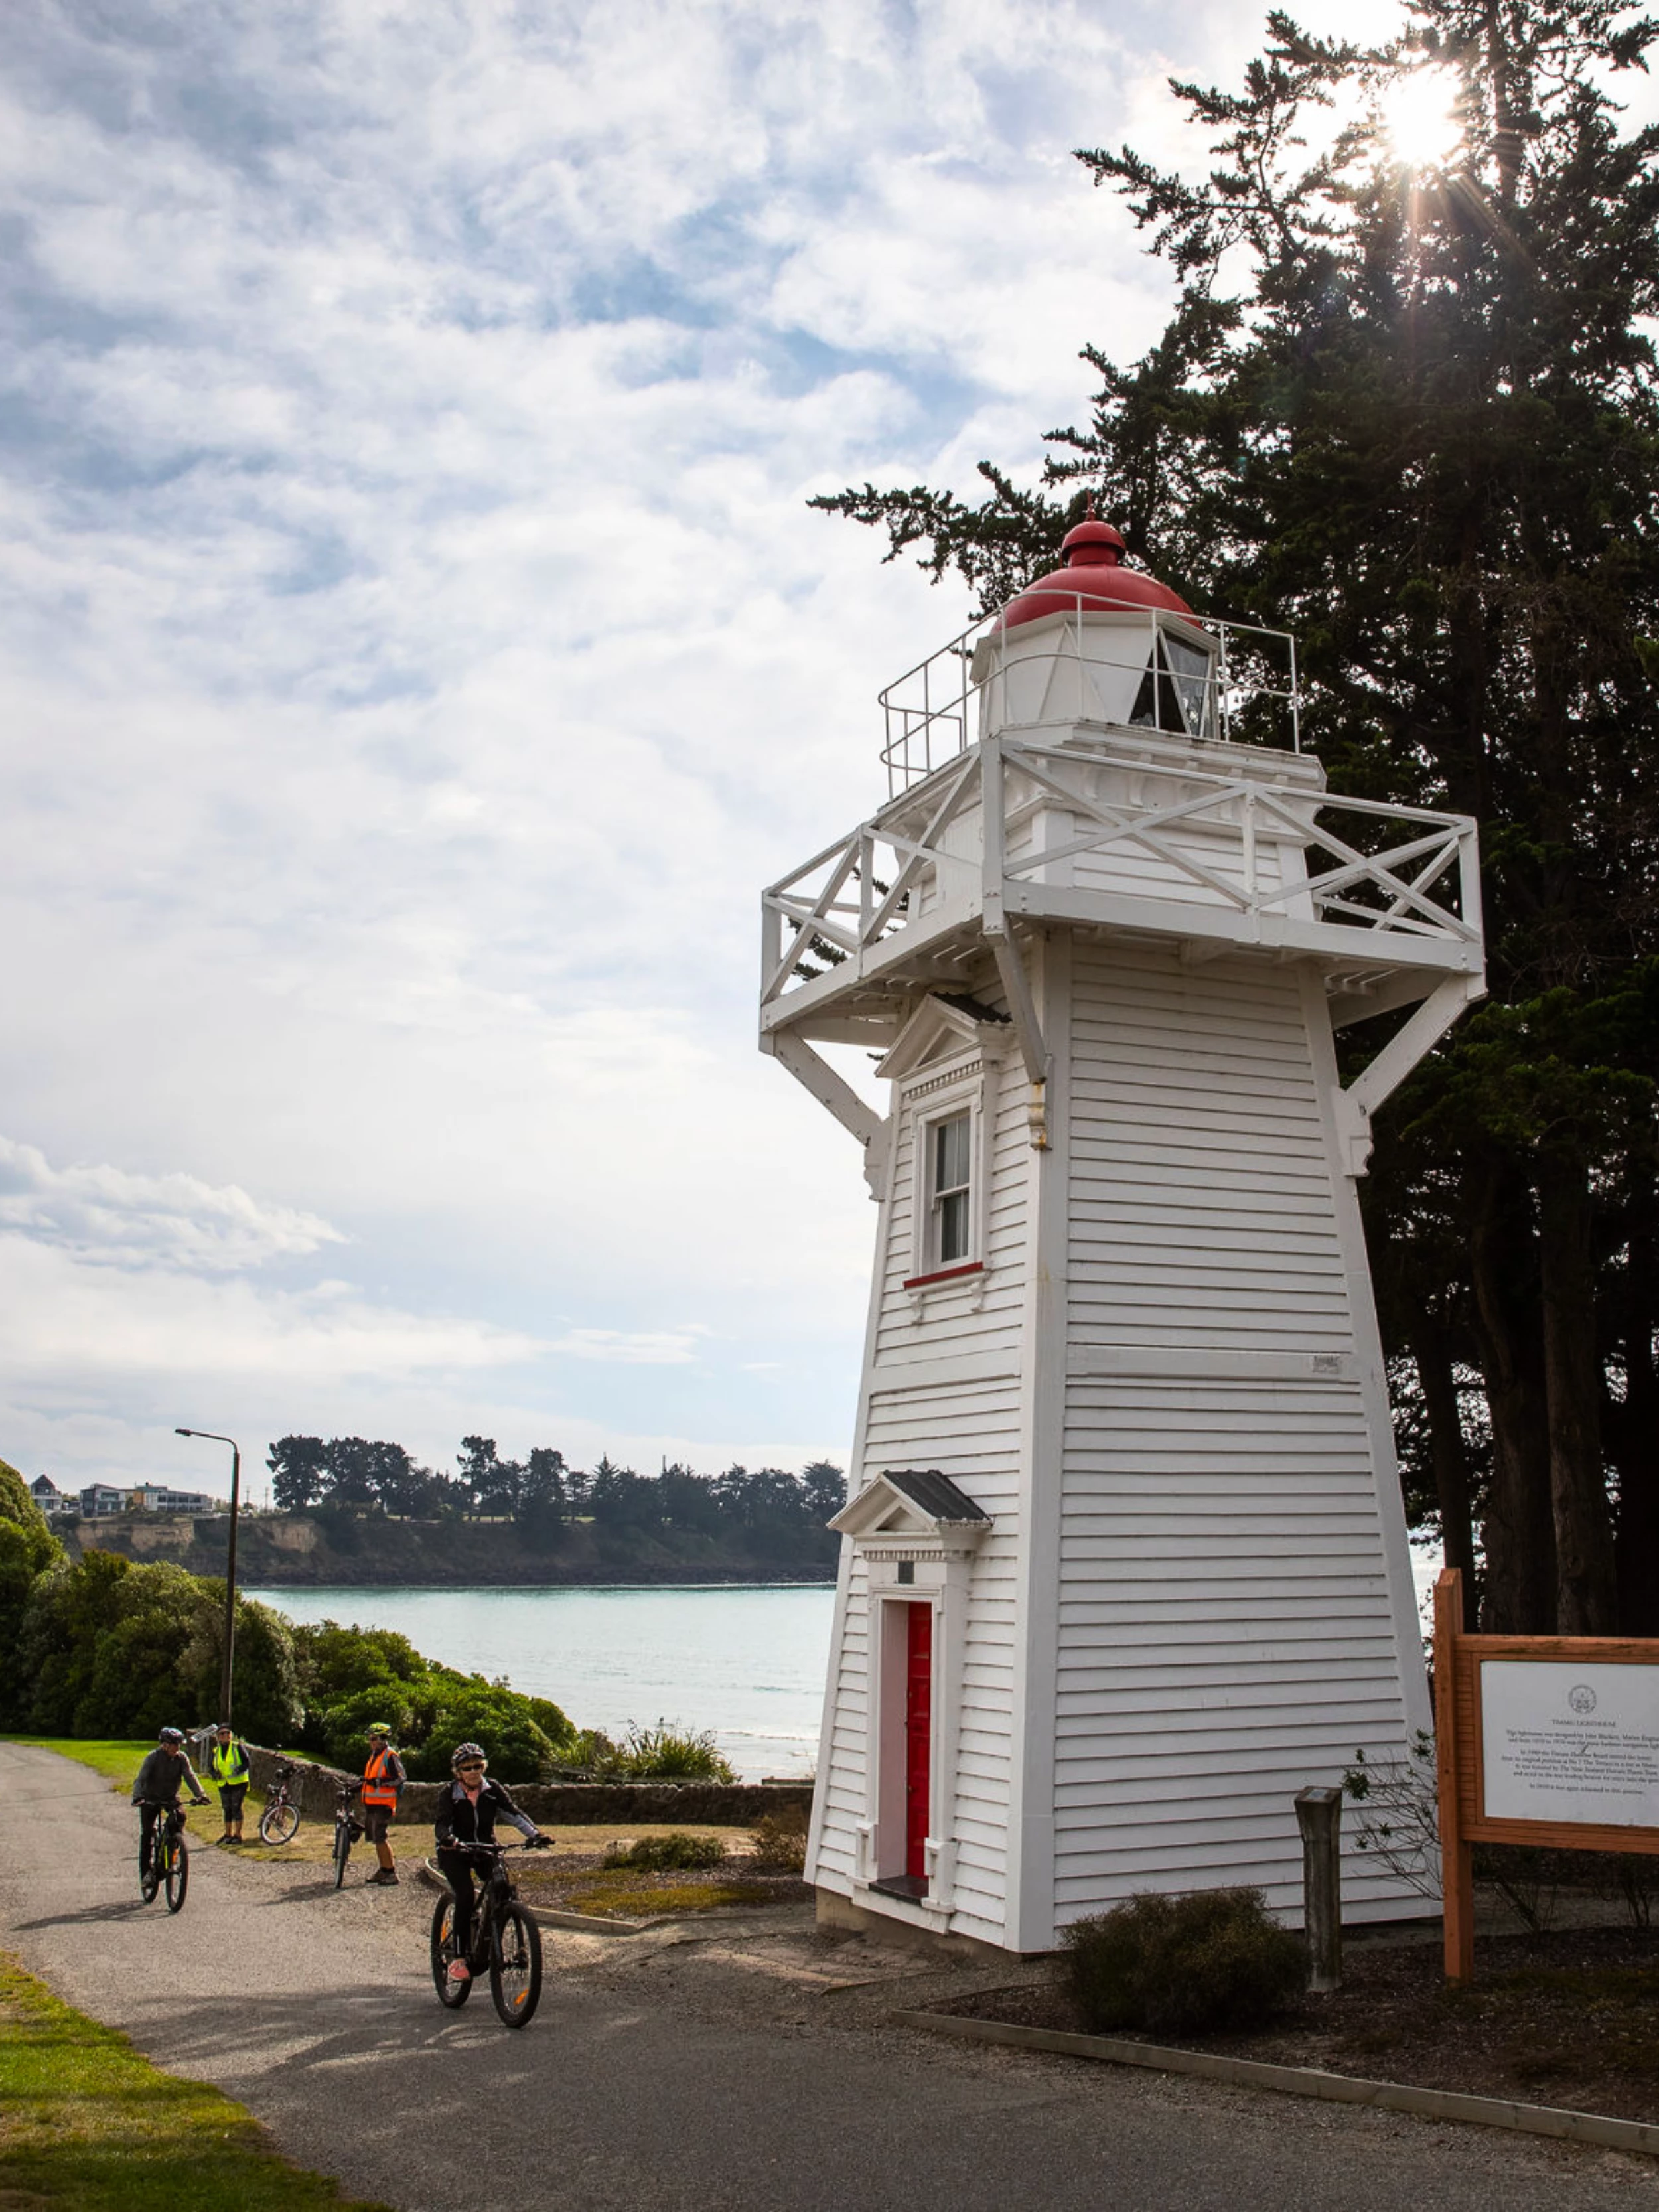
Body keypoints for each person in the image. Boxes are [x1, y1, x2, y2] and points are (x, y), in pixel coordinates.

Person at [433, 1742, 546, 1981]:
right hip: (454, 1852)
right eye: (467, 1768)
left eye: (478, 1766)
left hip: (486, 1849)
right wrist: (449, 1839)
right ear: (458, 1773)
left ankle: (500, 1933)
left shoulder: (493, 1789)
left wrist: (535, 1835)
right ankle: (460, 1957)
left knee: (505, 1887)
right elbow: (441, 1824)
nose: (473, 1772)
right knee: (465, 1895)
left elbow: (514, 1814)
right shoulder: (449, 1794)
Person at [131, 1727, 208, 1878]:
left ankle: (173, 1846)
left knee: (180, 1817)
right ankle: (146, 1873)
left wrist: (201, 1795)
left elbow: (190, 1777)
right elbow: (141, 1779)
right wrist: (138, 1797)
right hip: (150, 1799)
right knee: (147, 1834)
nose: (178, 1748)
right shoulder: (153, 1758)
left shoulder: (181, 1758)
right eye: (174, 1744)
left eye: (179, 1744)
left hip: (171, 1797)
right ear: (165, 1745)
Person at [361, 1722, 406, 1885]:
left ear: (382, 1739)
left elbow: (400, 1778)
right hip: (372, 1804)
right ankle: (383, 1870)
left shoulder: (390, 1756)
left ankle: (391, 1873)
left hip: (384, 1804)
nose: (370, 1742)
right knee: (376, 1838)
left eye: (373, 1739)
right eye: (370, 1739)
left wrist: (380, 1782)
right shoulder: (375, 1755)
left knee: (381, 1837)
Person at [208, 1722, 252, 1844]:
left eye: (228, 1733)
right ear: (218, 1737)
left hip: (239, 1782)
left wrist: (238, 1770)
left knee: (236, 1807)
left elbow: (247, 1762)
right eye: (222, 1734)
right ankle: (228, 1834)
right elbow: (211, 1767)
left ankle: (237, 1835)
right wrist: (215, 1774)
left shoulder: (237, 1747)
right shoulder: (216, 1751)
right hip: (224, 1783)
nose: (226, 1735)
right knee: (227, 1808)